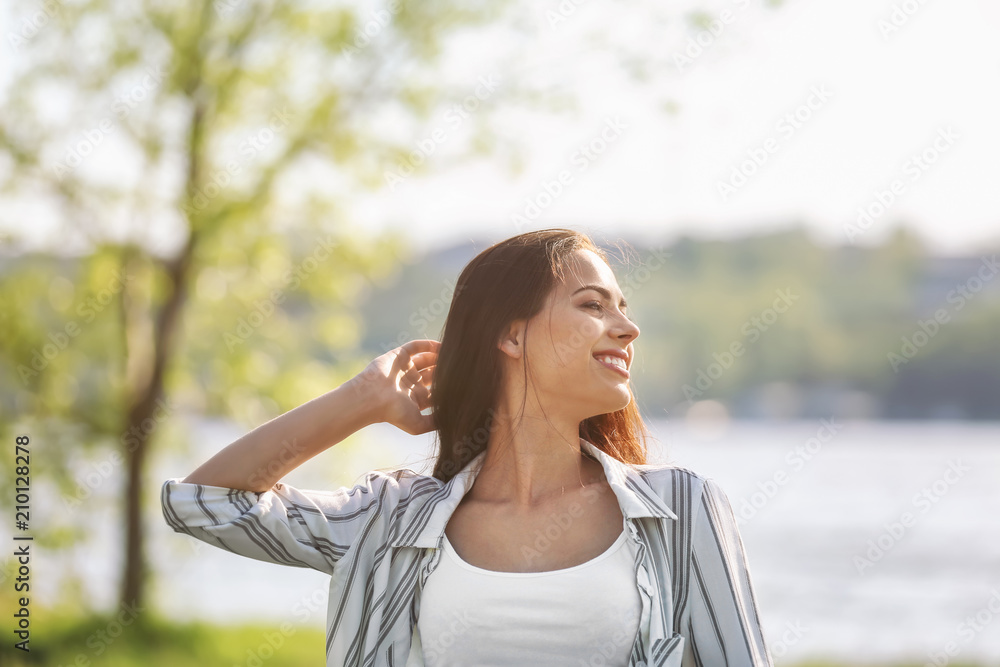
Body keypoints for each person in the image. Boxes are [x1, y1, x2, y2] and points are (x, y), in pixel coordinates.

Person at [161, 228, 773, 666]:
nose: (627, 327)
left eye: (623, 309)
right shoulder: (390, 517)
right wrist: (362, 401)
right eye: (592, 305)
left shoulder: (681, 510)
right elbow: (204, 502)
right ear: (510, 334)